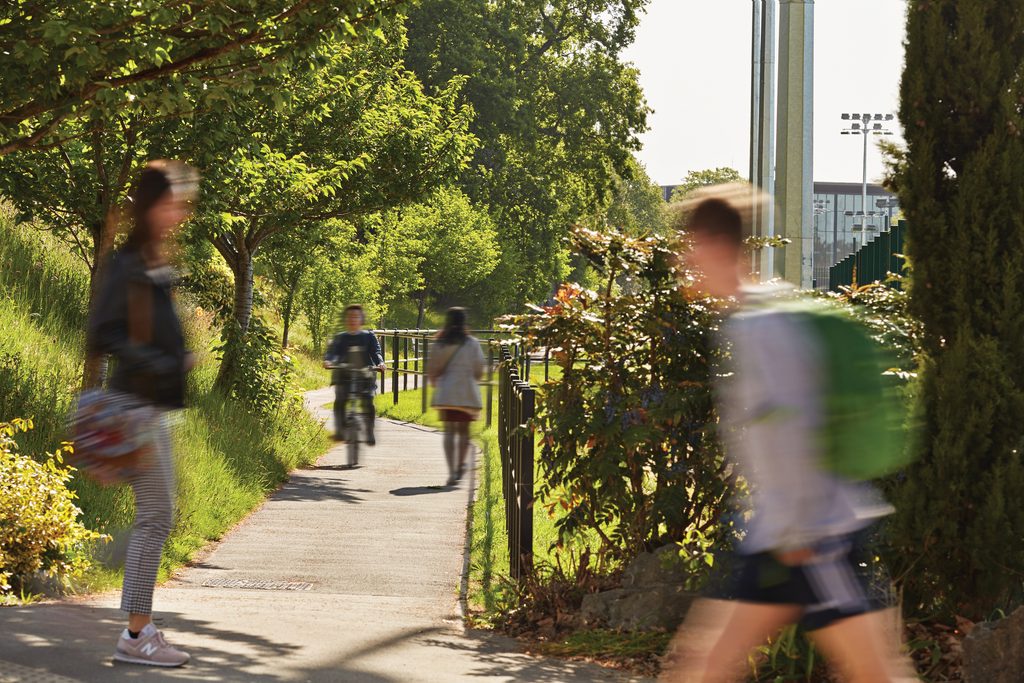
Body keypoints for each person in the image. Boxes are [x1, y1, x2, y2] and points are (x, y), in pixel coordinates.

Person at [660, 185, 914, 683]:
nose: (683, 260)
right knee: (706, 665)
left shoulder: (762, 326)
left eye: (691, 246)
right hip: (783, 533)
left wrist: (802, 533)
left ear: (717, 245)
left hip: (813, 536)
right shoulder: (752, 317)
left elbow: (793, 423)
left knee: (875, 673)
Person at [87, 160, 199, 668]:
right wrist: (163, 363)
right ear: (153, 205)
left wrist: (174, 359)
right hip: (135, 407)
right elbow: (103, 333)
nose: (181, 212)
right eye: (174, 203)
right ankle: (136, 633)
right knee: (156, 517)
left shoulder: (153, 260)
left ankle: (137, 627)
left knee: (156, 516)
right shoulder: (129, 262)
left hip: (150, 406)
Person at [428, 307, 485, 486]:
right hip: (466, 393)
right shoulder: (472, 343)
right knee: (464, 432)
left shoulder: (440, 342)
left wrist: (437, 381)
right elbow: (479, 370)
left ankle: (452, 471)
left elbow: (432, 369)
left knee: (449, 432)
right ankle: (461, 464)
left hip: (447, 393)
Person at [323, 305, 385, 444]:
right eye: (350, 316)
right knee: (340, 401)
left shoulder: (369, 336)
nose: (353, 319)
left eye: (356, 316)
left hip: (365, 376)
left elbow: (376, 352)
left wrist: (380, 363)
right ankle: (340, 431)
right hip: (344, 376)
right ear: (346, 319)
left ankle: (369, 431)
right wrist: (328, 360)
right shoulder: (340, 337)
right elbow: (332, 353)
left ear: (361, 319)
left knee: (368, 401)